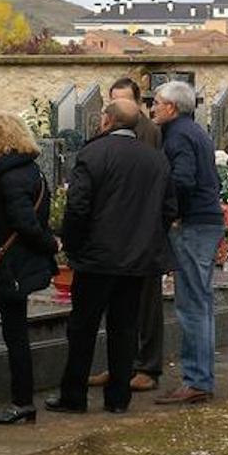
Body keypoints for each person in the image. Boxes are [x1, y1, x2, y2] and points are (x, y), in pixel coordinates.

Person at [46, 99, 177, 414]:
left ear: (107, 121)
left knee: (83, 327)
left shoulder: (93, 154)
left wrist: (72, 246)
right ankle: (118, 398)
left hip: (97, 257)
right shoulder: (156, 160)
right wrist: (148, 238)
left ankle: (73, 395)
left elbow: (78, 207)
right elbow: (170, 209)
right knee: (125, 328)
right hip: (136, 258)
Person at [89, 77, 167, 394]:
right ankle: (121, 364)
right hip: (115, 232)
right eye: (114, 100)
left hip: (141, 230)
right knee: (119, 306)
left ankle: (148, 366)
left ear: (137, 102)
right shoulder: (104, 130)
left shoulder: (149, 132)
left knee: (147, 303)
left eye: (125, 99)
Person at [0, 113, 58, 425]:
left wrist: (50, 244)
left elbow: (23, 220)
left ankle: (22, 401)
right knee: (16, 331)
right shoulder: (31, 169)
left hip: (13, 263)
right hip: (23, 260)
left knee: (15, 334)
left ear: (0, 140)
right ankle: (22, 401)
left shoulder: (8, 175)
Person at [150, 80, 224, 406]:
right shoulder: (196, 132)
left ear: (171, 107)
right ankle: (200, 378)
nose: (152, 108)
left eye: (156, 102)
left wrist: (171, 214)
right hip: (206, 221)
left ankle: (196, 380)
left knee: (192, 305)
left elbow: (182, 179)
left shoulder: (178, 135)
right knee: (201, 304)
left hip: (192, 225)